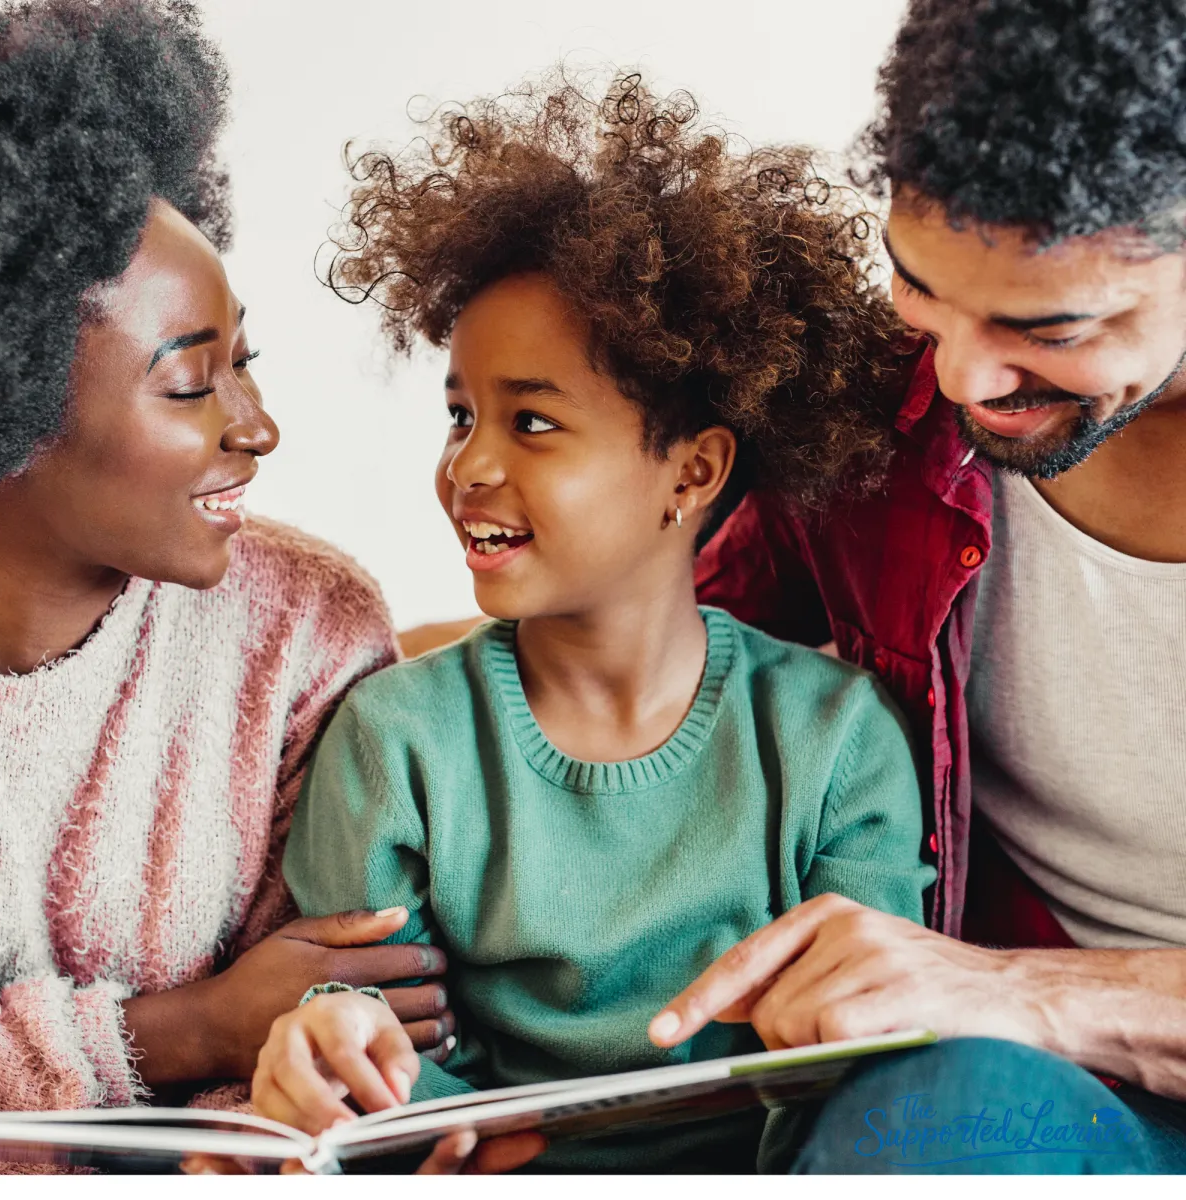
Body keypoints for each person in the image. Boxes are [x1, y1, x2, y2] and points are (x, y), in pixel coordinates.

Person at [251, 74, 936, 1173]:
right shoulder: (395, 743)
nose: (469, 465)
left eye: (532, 421)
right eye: (462, 415)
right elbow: (372, 1044)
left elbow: (869, 1054)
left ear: (694, 470)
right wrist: (348, 1060)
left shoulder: (838, 743)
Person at [636, 0, 1186, 1174]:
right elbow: (658, 658)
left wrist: (1027, 993)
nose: (959, 372)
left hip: (1049, 1018)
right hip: (1038, 1104)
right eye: (920, 284)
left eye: (1051, 325)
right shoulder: (885, 419)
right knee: (944, 1113)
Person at [0, 0, 460, 1152]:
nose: (260, 429)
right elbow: (238, 1028)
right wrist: (180, 1028)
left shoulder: (303, 629)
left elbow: (324, 1043)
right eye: (193, 384)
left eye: (245, 363)